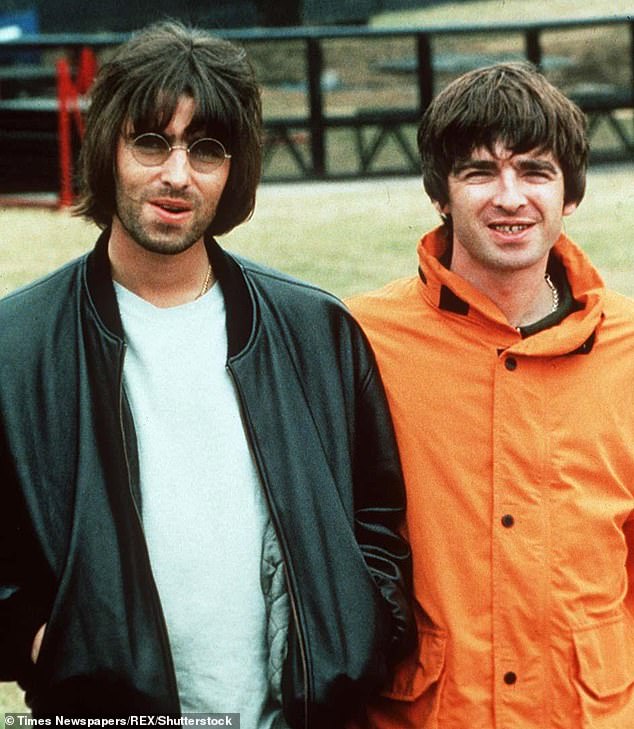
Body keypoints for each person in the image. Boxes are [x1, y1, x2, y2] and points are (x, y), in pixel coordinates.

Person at [0, 21, 415, 725]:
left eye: (207, 150)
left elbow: (378, 519)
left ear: (235, 170)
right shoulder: (19, 345)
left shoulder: (315, 330)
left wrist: (362, 621)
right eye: (151, 142)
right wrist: (43, 640)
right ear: (109, 149)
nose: (176, 175)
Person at [347, 62, 634, 728]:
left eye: (535, 171)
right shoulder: (360, 338)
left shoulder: (628, 345)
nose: (510, 197)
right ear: (441, 195)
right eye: (480, 172)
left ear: (570, 196)